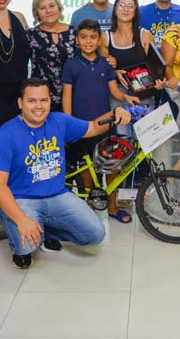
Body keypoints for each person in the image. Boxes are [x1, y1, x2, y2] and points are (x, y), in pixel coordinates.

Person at [0, 78, 132, 268]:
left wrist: (115, 113)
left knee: (96, 234)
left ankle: (45, 230)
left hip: (58, 195)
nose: (39, 106)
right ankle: (19, 230)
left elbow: (93, 127)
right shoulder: (6, 134)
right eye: (32, 101)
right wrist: (22, 220)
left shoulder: (59, 121)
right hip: (23, 199)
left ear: (49, 101)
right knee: (27, 246)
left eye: (44, 100)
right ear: (20, 103)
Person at [63, 19, 140, 224]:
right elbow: (67, 97)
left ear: (99, 41)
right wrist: (68, 124)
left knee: (112, 167)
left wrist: (126, 97)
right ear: (77, 40)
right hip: (81, 125)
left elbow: (114, 90)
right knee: (86, 166)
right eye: (83, 37)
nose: (88, 41)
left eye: (93, 37)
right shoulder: (71, 65)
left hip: (106, 123)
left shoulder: (105, 64)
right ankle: (90, 205)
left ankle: (113, 207)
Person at [100, 0, 160, 110]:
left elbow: (155, 67)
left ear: (135, 11)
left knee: (145, 128)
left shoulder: (145, 35)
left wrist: (159, 81)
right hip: (118, 92)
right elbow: (103, 69)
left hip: (144, 92)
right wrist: (115, 72)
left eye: (130, 6)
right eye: (122, 5)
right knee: (122, 129)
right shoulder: (106, 37)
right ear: (115, 9)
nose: (126, 9)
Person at [27, 0, 77, 112]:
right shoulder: (30, 35)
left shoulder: (75, 32)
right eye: (42, 8)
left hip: (74, 97)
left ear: (59, 8)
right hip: (42, 100)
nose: (48, 11)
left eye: (52, 6)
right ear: (36, 13)